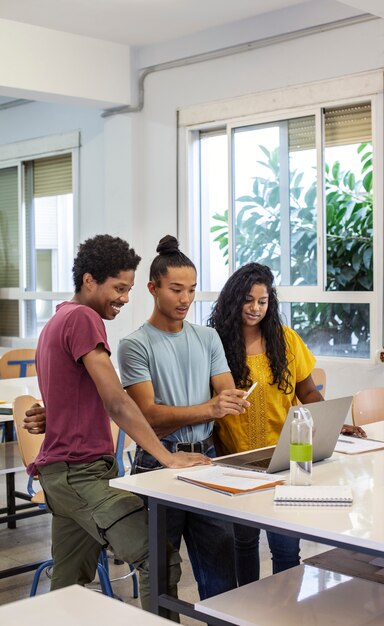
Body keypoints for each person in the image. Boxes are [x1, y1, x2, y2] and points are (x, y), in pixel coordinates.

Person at [25, 234, 209, 613]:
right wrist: (167, 456)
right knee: (159, 558)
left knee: (67, 587)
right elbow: (117, 401)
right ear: (89, 280)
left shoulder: (57, 319)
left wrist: (54, 414)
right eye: (119, 288)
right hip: (81, 476)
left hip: (64, 474)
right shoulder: (84, 318)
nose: (125, 298)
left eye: (127, 288)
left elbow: (74, 392)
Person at [208, 262, 365, 585]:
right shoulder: (215, 342)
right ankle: (247, 609)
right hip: (237, 461)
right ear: (233, 299)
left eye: (262, 302)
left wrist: (333, 423)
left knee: (285, 546)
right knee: (245, 542)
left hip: (289, 457)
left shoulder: (286, 339)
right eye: (247, 300)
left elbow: (307, 391)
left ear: (271, 303)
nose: (255, 308)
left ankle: (284, 614)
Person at [117, 235, 249, 600]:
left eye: (191, 290)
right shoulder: (135, 345)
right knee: (160, 575)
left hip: (208, 457)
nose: (186, 299)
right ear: (152, 288)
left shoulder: (207, 338)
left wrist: (224, 403)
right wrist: (208, 408)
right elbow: (150, 419)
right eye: (176, 289)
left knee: (221, 574)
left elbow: (226, 392)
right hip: (158, 460)